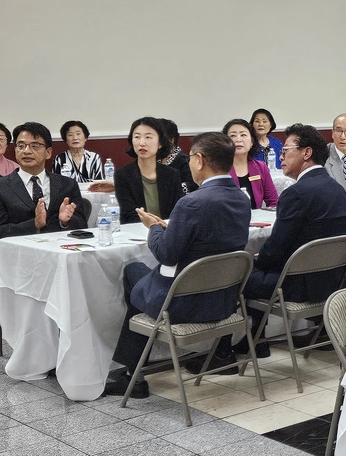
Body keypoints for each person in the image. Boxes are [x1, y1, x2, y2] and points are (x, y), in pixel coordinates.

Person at [189, 123, 346, 372]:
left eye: (286, 151)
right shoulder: (337, 189)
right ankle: (255, 343)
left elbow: (276, 248)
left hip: (297, 284)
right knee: (253, 266)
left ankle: (222, 354)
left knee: (235, 273)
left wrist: (257, 259)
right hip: (329, 280)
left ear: (306, 153)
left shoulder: (296, 193)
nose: (281, 157)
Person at [103, 132, 252, 398]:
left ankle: (132, 373)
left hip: (184, 304)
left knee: (132, 271)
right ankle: (215, 353)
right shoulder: (241, 198)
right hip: (223, 300)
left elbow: (166, 255)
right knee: (145, 274)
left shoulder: (191, 202)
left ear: (198, 160)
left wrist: (153, 228)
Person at [0, 122, 86, 242]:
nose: (26, 151)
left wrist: (64, 222)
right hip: (19, 255)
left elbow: (82, 227)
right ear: (15, 150)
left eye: (35, 146)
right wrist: (35, 224)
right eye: (21, 146)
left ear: (48, 153)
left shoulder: (68, 185)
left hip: (59, 252)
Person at [114, 117, 185, 224]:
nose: (142, 143)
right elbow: (129, 214)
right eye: (137, 137)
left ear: (160, 143)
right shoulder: (122, 175)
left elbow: (178, 211)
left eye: (148, 137)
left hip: (167, 231)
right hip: (135, 232)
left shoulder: (172, 174)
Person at [224, 118, 277, 210]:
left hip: (256, 222)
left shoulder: (261, 167)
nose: (238, 139)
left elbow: (273, 202)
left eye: (243, 135)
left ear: (252, 142)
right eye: (232, 135)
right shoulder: (218, 169)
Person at [157, 118, 196, 194]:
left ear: (171, 140)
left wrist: (173, 188)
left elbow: (192, 184)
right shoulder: (158, 159)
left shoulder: (182, 160)